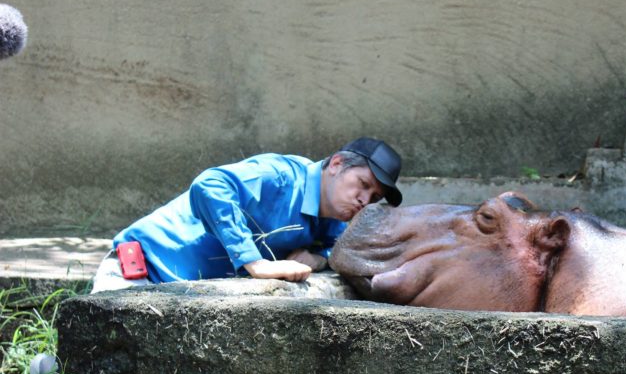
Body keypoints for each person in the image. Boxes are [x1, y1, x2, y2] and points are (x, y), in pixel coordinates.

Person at [91, 137, 403, 293]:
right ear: (336, 165)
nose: (364, 199)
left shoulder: (334, 220)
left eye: (374, 197)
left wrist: (319, 257)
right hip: (139, 272)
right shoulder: (279, 175)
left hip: (182, 295)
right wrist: (255, 263)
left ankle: (46, 369)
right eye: (363, 184)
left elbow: (337, 247)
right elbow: (210, 185)